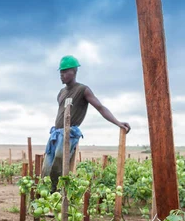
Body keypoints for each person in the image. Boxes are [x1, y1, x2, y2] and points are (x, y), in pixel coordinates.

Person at [42, 55, 131, 191]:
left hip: (68, 134)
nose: (62, 75)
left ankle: (58, 194)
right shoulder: (61, 93)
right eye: (61, 72)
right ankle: (46, 195)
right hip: (55, 134)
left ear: (74, 71)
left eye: (65, 71)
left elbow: (100, 107)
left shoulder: (83, 90)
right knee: (46, 167)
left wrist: (118, 122)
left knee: (59, 162)